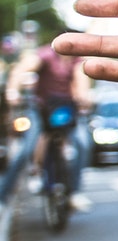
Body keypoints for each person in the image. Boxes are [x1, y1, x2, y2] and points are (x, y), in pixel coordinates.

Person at [6, 33, 92, 189]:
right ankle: (3, 198)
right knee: (25, 150)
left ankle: (74, 192)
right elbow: (20, 70)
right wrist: (12, 91)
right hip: (41, 108)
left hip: (67, 108)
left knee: (82, 144)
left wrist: (84, 98)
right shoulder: (44, 54)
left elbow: (81, 82)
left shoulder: (77, 61)